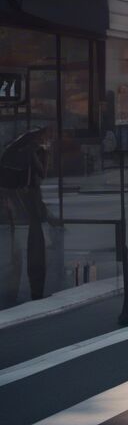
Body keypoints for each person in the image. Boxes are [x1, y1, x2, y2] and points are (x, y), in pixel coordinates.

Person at [1, 127, 51, 302]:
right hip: (29, 202)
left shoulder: (11, 151)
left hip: (13, 206)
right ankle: (36, 292)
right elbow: (42, 173)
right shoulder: (32, 152)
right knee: (35, 249)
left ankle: (12, 294)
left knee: (15, 253)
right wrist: (45, 156)